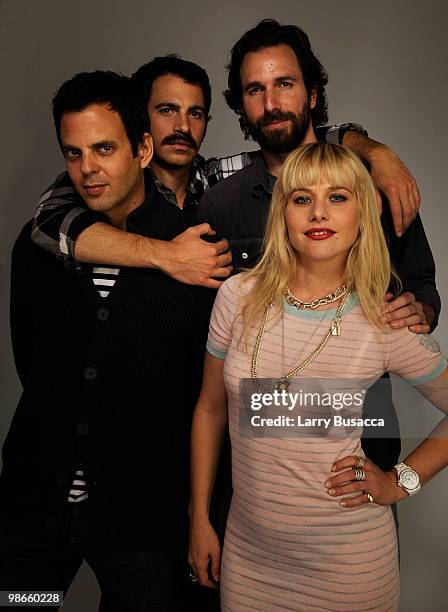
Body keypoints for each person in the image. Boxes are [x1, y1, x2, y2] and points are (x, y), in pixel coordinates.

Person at [188, 143, 448, 611]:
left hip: (349, 568)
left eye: (339, 197)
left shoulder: (382, 319)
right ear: (283, 213)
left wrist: (398, 481)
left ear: (363, 215)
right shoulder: (235, 297)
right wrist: (199, 518)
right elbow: (209, 408)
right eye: (302, 198)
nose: (318, 212)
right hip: (250, 560)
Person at [0, 71, 217, 611]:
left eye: (104, 148)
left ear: (143, 149)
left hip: (142, 522)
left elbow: (201, 396)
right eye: (73, 153)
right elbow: (32, 362)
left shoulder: (195, 251)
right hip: (35, 514)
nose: (88, 169)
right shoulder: (38, 248)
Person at [31, 52, 419, 288]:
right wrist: (167, 255)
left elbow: (297, 149)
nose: (183, 127)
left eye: (195, 113)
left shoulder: (217, 177)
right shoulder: (103, 181)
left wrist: (372, 150)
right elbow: (47, 222)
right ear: (140, 123)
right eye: (167, 110)